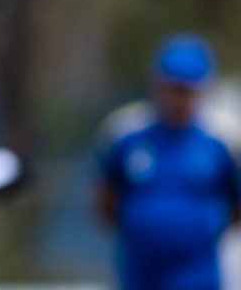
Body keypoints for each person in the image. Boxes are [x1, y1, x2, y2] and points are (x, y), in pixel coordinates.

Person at [94, 33, 241, 290]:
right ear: (157, 85)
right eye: (173, 88)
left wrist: (198, 229)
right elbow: (106, 200)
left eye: (187, 90)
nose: (179, 99)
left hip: (200, 278)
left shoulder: (222, 139)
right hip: (139, 277)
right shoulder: (126, 133)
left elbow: (236, 204)